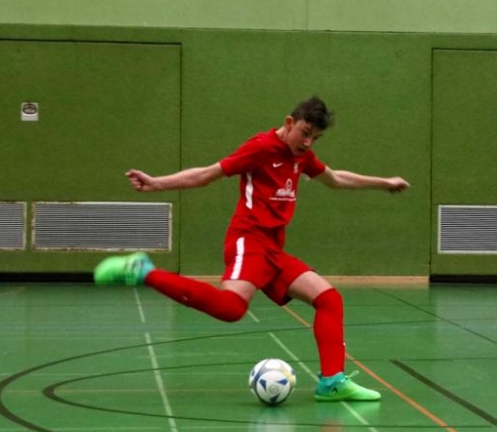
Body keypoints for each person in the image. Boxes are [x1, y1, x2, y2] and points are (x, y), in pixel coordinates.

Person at [93, 96, 409, 401]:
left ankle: (332, 383)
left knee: (329, 299)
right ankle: (144, 272)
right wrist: (157, 183)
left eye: (316, 137)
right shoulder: (261, 147)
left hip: (273, 248)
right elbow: (206, 174)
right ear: (290, 122)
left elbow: (335, 178)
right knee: (231, 308)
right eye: (305, 133)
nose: (308, 142)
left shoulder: (301, 156)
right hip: (249, 239)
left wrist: (383, 183)